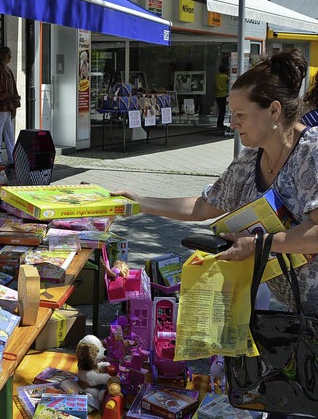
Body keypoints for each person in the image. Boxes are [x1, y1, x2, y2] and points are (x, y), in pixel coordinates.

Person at [116, 49, 318, 314]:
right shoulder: (248, 160)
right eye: (232, 113)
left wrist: (258, 243)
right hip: (302, 308)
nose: (232, 123)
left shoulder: (311, 153)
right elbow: (203, 207)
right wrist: (141, 202)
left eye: (241, 115)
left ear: (274, 110)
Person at [0, 46, 20, 168]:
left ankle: (12, 160)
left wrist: (14, 104)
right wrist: (10, 97)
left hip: (7, 108)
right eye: (8, 55)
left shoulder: (8, 70)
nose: (10, 57)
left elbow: (13, 89)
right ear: (1, 55)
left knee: (9, 135)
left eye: (10, 55)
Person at [214, 63, 229, 128]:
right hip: (223, 94)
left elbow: (214, 85)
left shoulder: (217, 77)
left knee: (220, 110)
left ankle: (219, 123)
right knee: (222, 110)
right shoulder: (226, 77)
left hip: (217, 95)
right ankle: (220, 124)